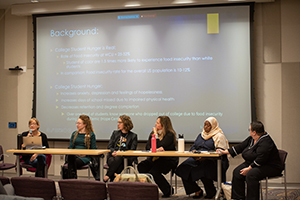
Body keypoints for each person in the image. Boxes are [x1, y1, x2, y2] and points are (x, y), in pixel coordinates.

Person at [217, 121, 283, 200]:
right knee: (237, 172)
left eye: (250, 130)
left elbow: (261, 159)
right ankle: (238, 198)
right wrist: (225, 151)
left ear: (254, 132)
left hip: (270, 166)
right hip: (254, 163)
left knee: (251, 174)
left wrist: (249, 168)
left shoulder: (266, 142)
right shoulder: (252, 139)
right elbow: (241, 147)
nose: (249, 131)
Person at [175, 117, 229, 199]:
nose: (205, 127)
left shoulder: (219, 136)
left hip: (213, 160)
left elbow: (221, 151)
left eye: (208, 125)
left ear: (213, 126)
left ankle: (211, 192)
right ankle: (196, 189)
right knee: (183, 168)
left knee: (203, 169)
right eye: (205, 125)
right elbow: (193, 147)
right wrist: (194, 152)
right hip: (197, 158)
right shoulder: (201, 135)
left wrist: (205, 157)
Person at [138, 116, 178, 198]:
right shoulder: (153, 133)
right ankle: (149, 189)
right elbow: (148, 146)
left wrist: (156, 135)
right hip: (155, 159)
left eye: (158, 123)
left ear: (163, 124)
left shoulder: (169, 134)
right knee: (142, 166)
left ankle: (168, 190)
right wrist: (155, 140)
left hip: (168, 160)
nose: (155, 124)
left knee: (154, 172)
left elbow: (160, 145)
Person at [103, 115, 138, 182]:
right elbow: (110, 146)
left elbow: (132, 150)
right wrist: (113, 152)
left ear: (125, 123)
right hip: (113, 157)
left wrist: (121, 153)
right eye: (118, 122)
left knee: (118, 159)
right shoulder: (115, 133)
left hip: (126, 158)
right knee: (114, 161)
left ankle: (109, 176)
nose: (118, 124)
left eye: (120, 122)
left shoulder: (133, 136)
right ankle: (114, 184)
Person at [65, 114, 96, 179]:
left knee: (72, 163)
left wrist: (85, 154)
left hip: (84, 157)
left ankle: (71, 180)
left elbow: (93, 149)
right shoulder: (74, 134)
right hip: (74, 155)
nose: (77, 125)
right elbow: (70, 147)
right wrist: (75, 153)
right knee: (71, 158)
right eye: (77, 123)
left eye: (79, 123)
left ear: (85, 124)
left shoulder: (91, 135)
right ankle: (72, 179)